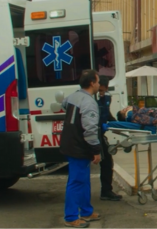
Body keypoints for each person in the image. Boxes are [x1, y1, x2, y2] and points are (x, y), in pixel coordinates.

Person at [59, 69, 103, 228]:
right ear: (92, 83)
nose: (99, 84)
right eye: (98, 81)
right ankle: (71, 217)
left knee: (83, 181)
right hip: (79, 147)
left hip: (70, 143)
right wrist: (96, 150)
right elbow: (90, 130)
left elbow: (63, 105)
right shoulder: (89, 102)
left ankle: (86, 211)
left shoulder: (73, 96)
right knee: (77, 181)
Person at [96, 76, 122, 202]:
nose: (101, 93)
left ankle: (106, 190)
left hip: (100, 133)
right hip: (92, 133)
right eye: (99, 91)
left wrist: (115, 123)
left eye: (103, 91)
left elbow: (107, 113)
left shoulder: (107, 97)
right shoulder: (90, 99)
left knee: (107, 163)